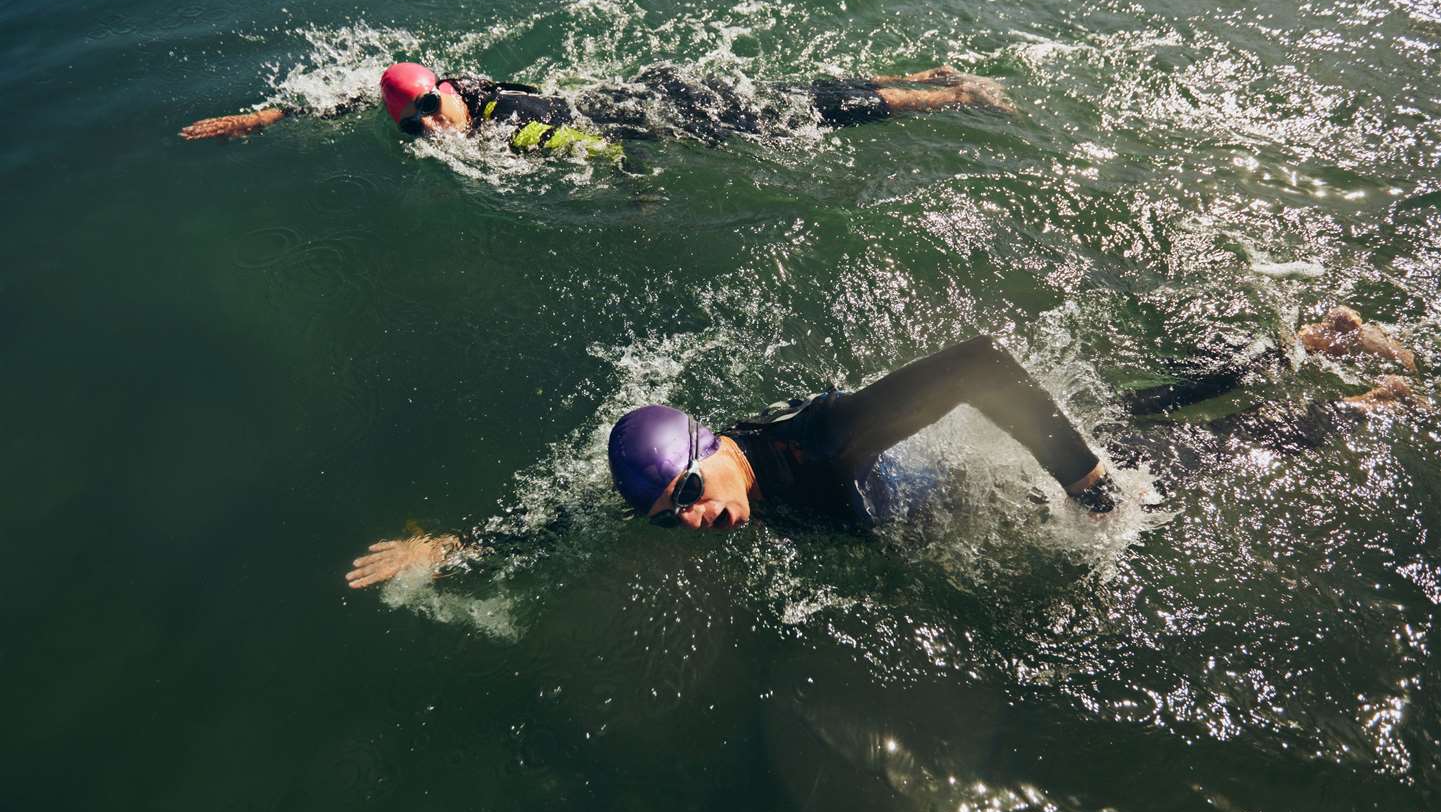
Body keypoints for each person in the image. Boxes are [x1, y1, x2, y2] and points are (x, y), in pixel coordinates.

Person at [344, 306, 1423, 589]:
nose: (692, 516)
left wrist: (1087, 490)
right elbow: (579, 516)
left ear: (713, 446)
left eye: (688, 490)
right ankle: (1303, 341)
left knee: (1188, 455)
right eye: (668, 512)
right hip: (939, 495)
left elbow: (983, 365)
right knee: (1145, 407)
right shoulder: (695, 490)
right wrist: (452, 543)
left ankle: (1365, 397)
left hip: (983, 475)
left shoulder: (823, 439)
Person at [178, 60, 1016, 157]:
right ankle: (931, 76)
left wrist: (639, 195)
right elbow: (354, 94)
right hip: (642, 95)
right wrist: (264, 118)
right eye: (409, 123)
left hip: (674, 112)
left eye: (428, 109)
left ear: (444, 92)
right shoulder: (462, 89)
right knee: (803, 98)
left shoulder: (510, 123)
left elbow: (602, 154)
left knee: (813, 113)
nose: (427, 125)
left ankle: (956, 91)